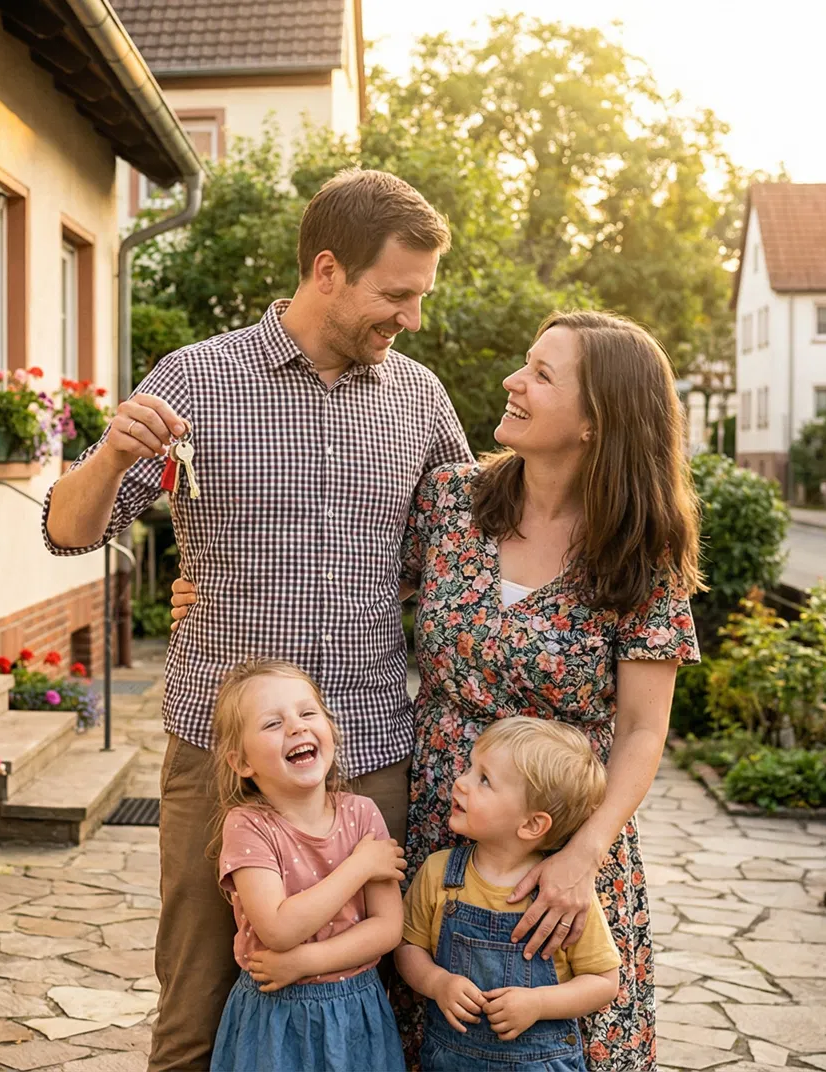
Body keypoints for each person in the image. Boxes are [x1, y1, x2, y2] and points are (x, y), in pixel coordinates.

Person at [173, 309, 699, 1070]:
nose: (514, 382)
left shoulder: (643, 549)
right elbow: (342, 577)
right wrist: (214, 590)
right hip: (442, 810)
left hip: (560, 835)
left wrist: (582, 854)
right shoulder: (453, 500)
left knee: (555, 1038)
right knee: (419, 1028)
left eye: (543, 375)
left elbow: (647, 730)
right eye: (526, 362)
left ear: (597, 421)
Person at [41, 168, 471, 1071]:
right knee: (196, 1004)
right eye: (397, 295)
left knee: (374, 1006)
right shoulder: (196, 378)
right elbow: (69, 531)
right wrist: (113, 454)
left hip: (366, 754)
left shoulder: (421, 398)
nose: (414, 320)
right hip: (219, 754)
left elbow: (466, 558)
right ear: (326, 271)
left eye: (421, 298)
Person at [208, 659, 406, 1072]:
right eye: (272, 723)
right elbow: (278, 929)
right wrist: (359, 867)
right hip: (276, 1020)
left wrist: (305, 962)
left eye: (307, 713)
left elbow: (388, 928)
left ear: (330, 729)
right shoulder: (248, 826)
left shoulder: (362, 813)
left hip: (357, 1012)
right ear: (242, 763)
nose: (297, 727)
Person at [396, 718, 619, 1071]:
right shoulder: (440, 873)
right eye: (470, 768)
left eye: (483, 779)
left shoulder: (560, 895)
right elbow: (408, 948)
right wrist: (437, 982)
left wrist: (539, 1004)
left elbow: (604, 982)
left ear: (532, 824)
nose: (461, 782)